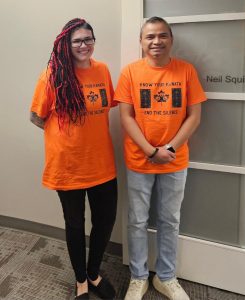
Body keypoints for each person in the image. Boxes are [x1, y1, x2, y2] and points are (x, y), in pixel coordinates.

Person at [114, 16, 207, 300]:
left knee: (170, 220)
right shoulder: (130, 72)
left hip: (175, 161)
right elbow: (126, 117)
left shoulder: (186, 71)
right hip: (140, 159)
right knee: (137, 220)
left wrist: (170, 149)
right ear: (141, 42)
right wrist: (152, 151)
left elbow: (194, 116)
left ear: (171, 39)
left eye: (162, 35)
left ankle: (166, 277)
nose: (156, 41)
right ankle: (139, 277)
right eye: (149, 37)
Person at [30, 18, 117, 300]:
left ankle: (93, 272)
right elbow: (35, 116)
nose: (84, 45)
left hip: (101, 162)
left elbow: (106, 108)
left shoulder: (102, 70)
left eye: (88, 39)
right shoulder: (53, 75)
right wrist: (63, 137)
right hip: (67, 165)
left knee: (105, 220)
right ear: (66, 44)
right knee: (75, 224)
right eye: (77, 40)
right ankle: (80, 279)